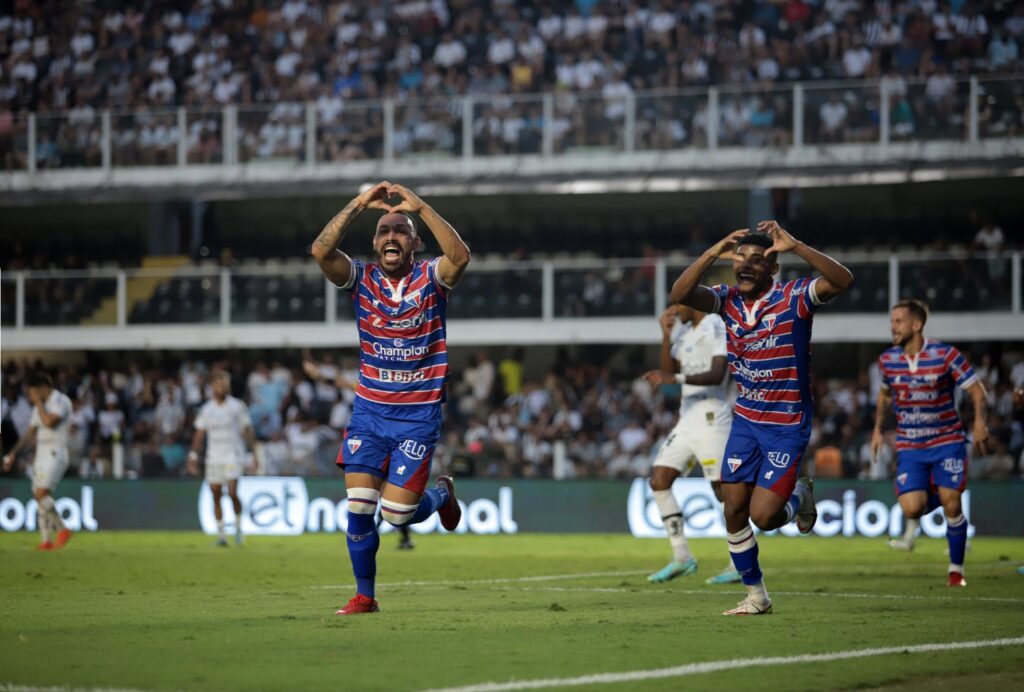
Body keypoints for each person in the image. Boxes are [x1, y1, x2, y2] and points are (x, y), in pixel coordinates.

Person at [669, 220, 853, 615]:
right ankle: (757, 596)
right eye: (741, 259)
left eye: (758, 259)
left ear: (773, 268)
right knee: (732, 508)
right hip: (747, 422)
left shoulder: (795, 298)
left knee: (764, 517)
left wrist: (797, 245)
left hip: (787, 425)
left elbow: (842, 280)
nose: (747, 266)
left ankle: (800, 496)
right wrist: (712, 252)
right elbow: (679, 293)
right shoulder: (727, 300)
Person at [311, 180, 470, 615]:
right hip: (370, 411)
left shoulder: (431, 277)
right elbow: (321, 252)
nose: (391, 236)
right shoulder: (361, 278)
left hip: (418, 414)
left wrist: (419, 206)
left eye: (400, 230)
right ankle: (366, 595)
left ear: (415, 241)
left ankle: (440, 496)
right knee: (360, 507)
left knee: (398, 515)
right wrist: (358, 204)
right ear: (375, 243)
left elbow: (460, 257)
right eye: (383, 231)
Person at [871, 300, 989, 587]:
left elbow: (976, 390)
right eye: (892, 321)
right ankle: (944, 488)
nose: (893, 327)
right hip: (910, 445)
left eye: (898, 321)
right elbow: (886, 395)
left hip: (947, 440)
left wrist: (979, 423)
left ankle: (956, 571)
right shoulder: (888, 360)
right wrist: (876, 429)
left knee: (952, 505)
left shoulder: (946, 355)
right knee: (912, 508)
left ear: (916, 325)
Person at [642, 304, 741, 586]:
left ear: (693, 301)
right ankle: (682, 557)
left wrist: (676, 378)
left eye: (677, 303)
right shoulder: (684, 332)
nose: (673, 310)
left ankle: (739, 561)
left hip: (712, 416)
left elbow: (718, 374)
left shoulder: (715, 325)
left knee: (723, 491)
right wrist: (665, 335)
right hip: (687, 419)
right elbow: (667, 372)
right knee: (659, 480)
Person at [303, 353, 414, 551]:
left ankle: (392, 532)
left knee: (390, 496)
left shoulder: (398, 392)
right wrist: (318, 376)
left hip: (395, 443)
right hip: (374, 443)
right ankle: (395, 535)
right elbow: (342, 383)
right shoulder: (371, 388)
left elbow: (343, 383)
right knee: (381, 494)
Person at [2, 372, 74, 551]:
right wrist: (12, 453)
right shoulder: (39, 407)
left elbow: (49, 422)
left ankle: (63, 529)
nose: (30, 396)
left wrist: (38, 403)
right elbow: (29, 433)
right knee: (40, 498)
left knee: (41, 494)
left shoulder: (60, 401)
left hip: (56, 453)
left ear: (42, 388)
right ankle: (46, 541)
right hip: (40, 456)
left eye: (33, 392)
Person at [187, 371, 256, 547]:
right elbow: (199, 434)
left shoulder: (237, 406)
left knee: (232, 492)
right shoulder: (207, 409)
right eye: (219, 384)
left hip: (233, 454)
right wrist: (193, 455)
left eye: (225, 384)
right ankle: (222, 535)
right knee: (216, 493)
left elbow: (247, 429)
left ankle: (239, 529)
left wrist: (254, 453)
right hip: (214, 456)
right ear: (212, 387)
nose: (222, 387)